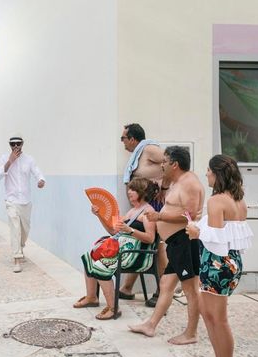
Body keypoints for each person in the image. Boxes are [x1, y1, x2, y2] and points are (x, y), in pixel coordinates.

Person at [186, 155, 252, 357]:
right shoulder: (238, 200)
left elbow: (216, 240)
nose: (206, 174)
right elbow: (228, 233)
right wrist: (200, 224)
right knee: (208, 313)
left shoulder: (216, 201)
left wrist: (196, 233)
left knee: (218, 319)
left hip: (216, 263)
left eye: (208, 170)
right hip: (231, 262)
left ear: (217, 174)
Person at [129, 146, 205, 345]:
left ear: (175, 164)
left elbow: (190, 215)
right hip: (175, 242)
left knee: (190, 289)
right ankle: (150, 325)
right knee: (165, 284)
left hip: (184, 242)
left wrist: (159, 215)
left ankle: (191, 333)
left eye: (165, 162)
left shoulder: (189, 183)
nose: (162, 165)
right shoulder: (180, 181)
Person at [75, 178, 157, 319]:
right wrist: (99, 215)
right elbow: (114, 232)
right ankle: (92, 297)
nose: (129, 192)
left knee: (101, 266)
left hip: (136, 255)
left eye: (133, 189)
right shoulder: (132, 211)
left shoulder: (148, 212)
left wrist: (130, 230)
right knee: (89, 258)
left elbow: (150, 238)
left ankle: (113, 308)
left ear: (142, 192)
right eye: (129, 189)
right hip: (123, 250)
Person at [120, 123, 167, 307]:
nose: (122, 142)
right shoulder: (137, 155)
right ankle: (127, 288)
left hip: (154, 205)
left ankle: (163, 290)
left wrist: (163, 187)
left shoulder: (149, 149)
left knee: (158, 245)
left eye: (123, 138)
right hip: (142, 203)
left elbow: (170, 164)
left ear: (132, 139)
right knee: (141, 244)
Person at [0, 136, 45, 272]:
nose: (15, 146)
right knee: (14, 228)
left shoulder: (29, 159)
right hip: (11, 200)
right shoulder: (4, 158)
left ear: (22, 144)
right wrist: (9, 162)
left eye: (18, 144)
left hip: (26, 201)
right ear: (9, 145)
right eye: (13, 144)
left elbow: (37, 172)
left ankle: (21, 245)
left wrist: (41, 180)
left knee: (25, 229)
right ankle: (17, 258)